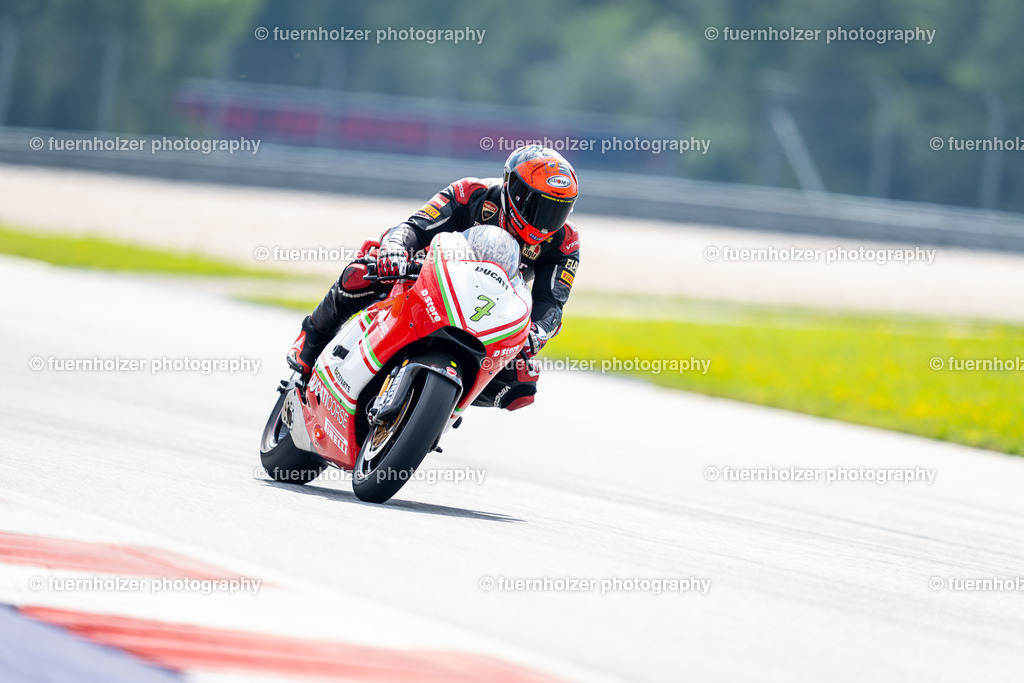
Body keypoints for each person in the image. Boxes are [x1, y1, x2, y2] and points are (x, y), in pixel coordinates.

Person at [286, 144, 580, 411]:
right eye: (539, 205)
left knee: (520, 384)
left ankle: (444, 407)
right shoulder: (470, 193)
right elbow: (413, 227)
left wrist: (536, 333)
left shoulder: (565, 243)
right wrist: (394, 250)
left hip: (489, 306)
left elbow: (551, 303)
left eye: (558, 210)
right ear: (513, 189)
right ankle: (311, 337)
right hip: (429, 274)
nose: (547, 219)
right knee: (363, 272)